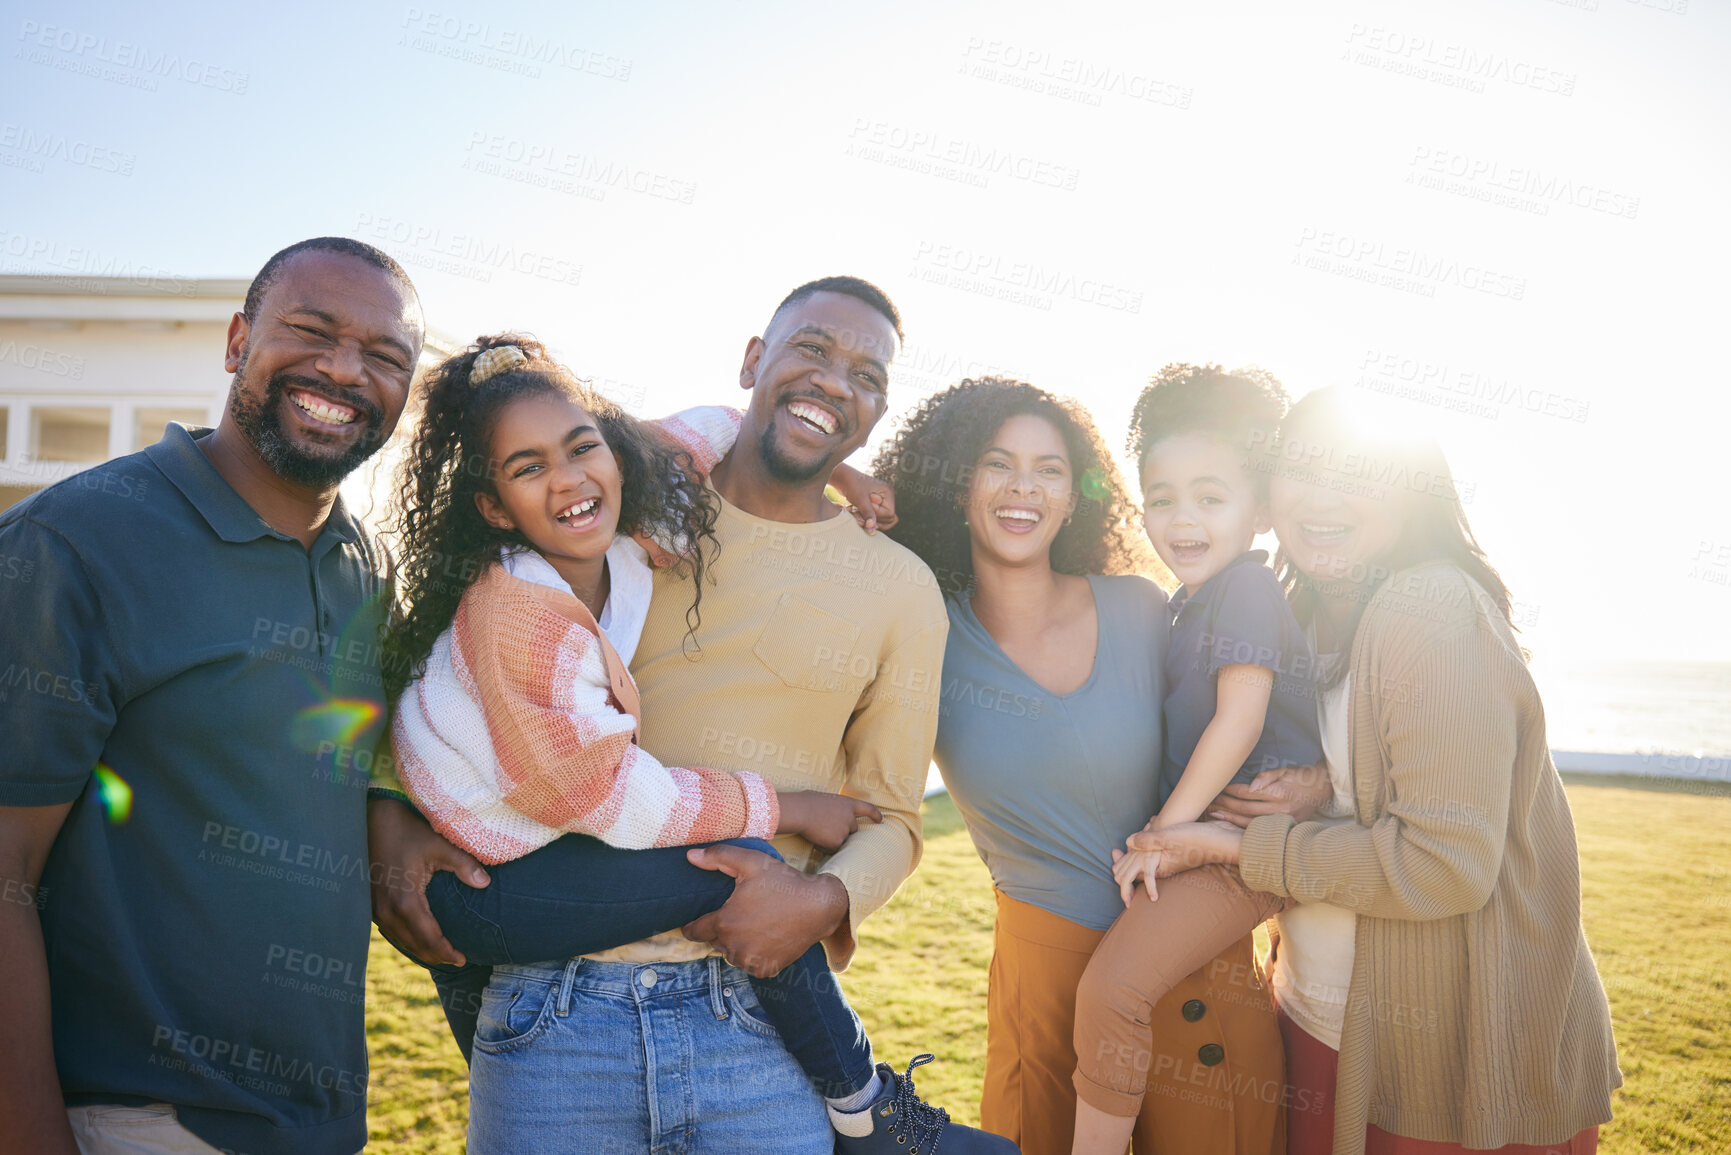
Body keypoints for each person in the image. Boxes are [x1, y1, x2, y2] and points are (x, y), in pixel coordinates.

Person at [368, 279, 1010, 1153]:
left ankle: (869, 1105)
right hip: (554, 1002)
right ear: (755, 359)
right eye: (811, 349)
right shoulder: (624, 516)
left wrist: (822, 898)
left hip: (758, 1020)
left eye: (866, 375)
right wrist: (385, 812)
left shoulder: (898, 586)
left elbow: (895, 818)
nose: (832, 381)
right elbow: (454, 683)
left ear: (874, 412)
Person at [0, 238, 423, 1155]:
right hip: (135, 1122)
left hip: (322, 1125)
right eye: (310, 331)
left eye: (386, 357)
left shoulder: (369, 567)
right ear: (237, 341)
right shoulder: (73, 543)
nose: (344, 369)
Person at [1127, 386, 1622, 1155]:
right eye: (1300, 469)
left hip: (1448, 1059)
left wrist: (1222, 844)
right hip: (1317, 1012)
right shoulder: (1312, 606)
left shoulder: (1431, 610)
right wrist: (1316, 784)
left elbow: (1444, 864)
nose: (1322, 497)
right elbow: (1366, 769)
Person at [876, 377, 1287, 1155]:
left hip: (1196, 970)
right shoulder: (920, 635)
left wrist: (1317, 782)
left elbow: (1253, 714)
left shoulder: (1140, 606)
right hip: (1050, 999)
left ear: (1076, 496)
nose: (1023, 487)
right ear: (958, 483)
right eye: (996, 463)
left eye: (1050, 469)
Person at [1070, 365, 1324, 1154]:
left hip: (1235, 852)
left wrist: (1165, 833)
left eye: (1210, 498)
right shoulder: (1188, 601)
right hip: (1209, 842)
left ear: (1258, 512)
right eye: (1161, 496)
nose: (1181, 519)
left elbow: (1239, 721)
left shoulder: (1247, 587)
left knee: (1110, 992)